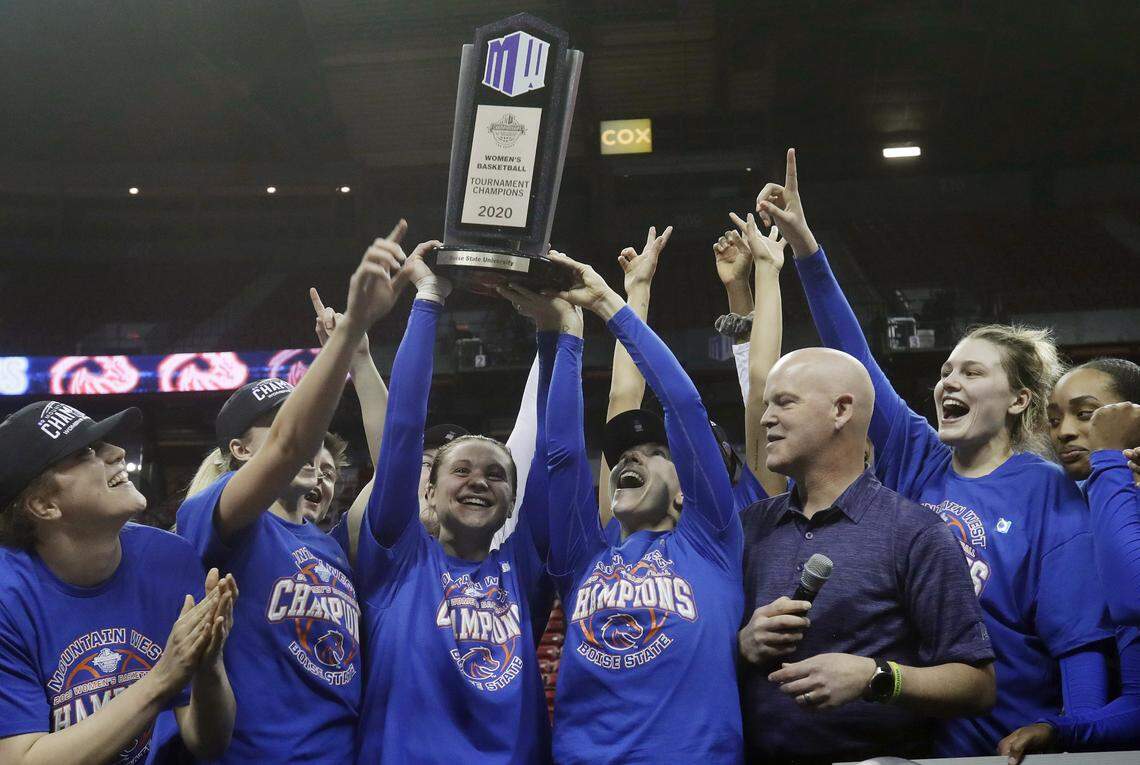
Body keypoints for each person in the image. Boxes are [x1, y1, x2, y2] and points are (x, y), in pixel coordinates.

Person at [761, 147, 1114, 756]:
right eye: (946, 370)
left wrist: (1073, 746)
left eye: (972, 373)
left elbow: (1078, 640)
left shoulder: (1047, 490)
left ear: (1018, 399)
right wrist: (806, 250)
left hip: (1005, 743)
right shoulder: (919, 459)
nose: (948, 382)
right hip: (914, 735)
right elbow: (856, 362)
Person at [176, 226, 409, 763]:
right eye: (281, 425)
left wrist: (362, 360)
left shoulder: (330, 543)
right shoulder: (217, 518)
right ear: (237, 450)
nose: (307, 448)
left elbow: (397, 465)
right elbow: (285, 446)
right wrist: (350, 331)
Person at [739, 348, 995, 764]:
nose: (766, 418)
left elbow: (977, 686)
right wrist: (741, 645)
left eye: (784, 403)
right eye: (766, 404)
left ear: (841, 410)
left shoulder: (915, 533)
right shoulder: (747, 528)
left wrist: (875, 677)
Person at [351, 254, 557, 763]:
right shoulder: (395, 557)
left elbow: (558, 449)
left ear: (513, 500)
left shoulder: (525, 569)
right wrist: (428, 297)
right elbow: (401, 428)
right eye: (461, 470)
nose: (479, 482)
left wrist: (555, 337)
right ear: (429, 490)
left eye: (496, 474)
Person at [543, 249, 744, 763]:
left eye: (656, 452)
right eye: (624, 456)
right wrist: (570, 335)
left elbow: (684, 405)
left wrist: (611, 304)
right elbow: (563, 456)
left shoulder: (711, 541)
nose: (631, 458)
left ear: (687, 488)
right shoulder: (582, 558)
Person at [0, 401, 236, 765]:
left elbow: (206, 742)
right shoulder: (8, 595)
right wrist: (161, 679)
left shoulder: (169, 557)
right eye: (85, 452)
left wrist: (208, 666)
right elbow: (22, 759)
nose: (117, 452)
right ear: (44, 504)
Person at [999, 367, 1140, 761]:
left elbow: (1133, 599)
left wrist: (1110, 456)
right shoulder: (1080, 509)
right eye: (1055, 418)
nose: (1063, 432)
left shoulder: (1112, 485)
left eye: (1088, 414)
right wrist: (1059, 730)